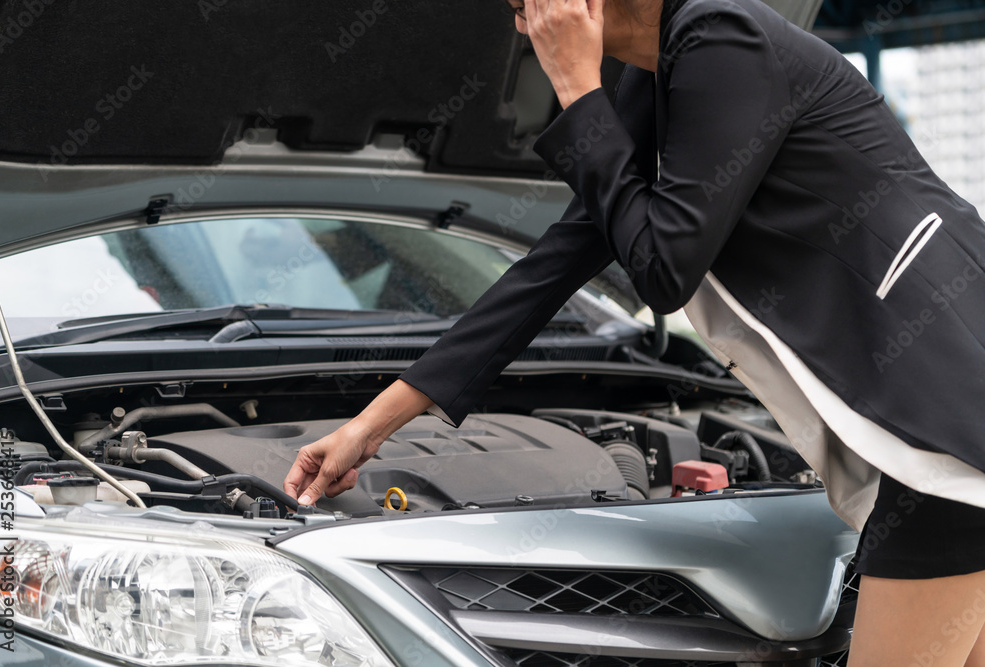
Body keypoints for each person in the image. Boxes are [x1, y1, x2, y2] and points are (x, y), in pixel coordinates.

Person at [284, 0, 985, 663]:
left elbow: (661, 267)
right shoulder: (665, 79)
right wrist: (372, 425)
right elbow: (561, 258)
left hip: (943, 438)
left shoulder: (724, 41)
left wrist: (575, 84)